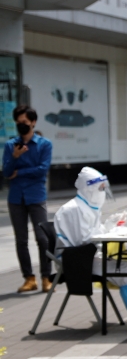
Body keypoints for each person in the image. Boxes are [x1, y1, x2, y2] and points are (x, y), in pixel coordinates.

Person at [54, 167, 127, 287]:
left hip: (86, 257)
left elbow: (91, 235)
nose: (103, 192)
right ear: (88, 189)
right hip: (75, 261)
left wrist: (107, 226)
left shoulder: (88, 207)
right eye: (101, 188)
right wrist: (106, 234)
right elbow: (83, 241)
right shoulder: (73, 209)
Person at [3, 105, 53, 293]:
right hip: (16, 198)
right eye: (18, 123)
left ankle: (46, 277)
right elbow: (7, 173)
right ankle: (29, 278)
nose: (21, 126)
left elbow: (42, 170)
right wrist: (15, 157)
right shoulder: (10, 146)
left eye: (24, 122)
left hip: (36, 195)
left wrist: (20, 172)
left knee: (43, 238)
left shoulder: (44, 144)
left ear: (33, 122)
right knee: (21, 240)